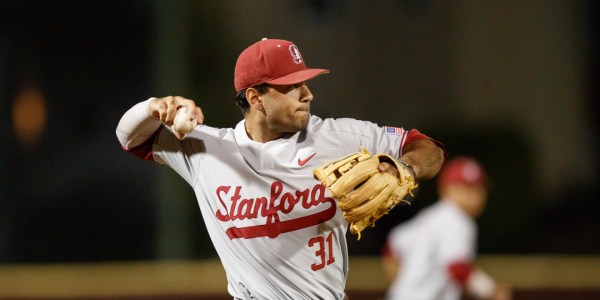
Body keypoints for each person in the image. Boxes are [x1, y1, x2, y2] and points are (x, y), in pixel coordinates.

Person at [116, 38, 445, 300]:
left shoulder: (337, 137)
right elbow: (130, 138)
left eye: (305, 82)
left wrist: (405, 166)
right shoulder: (206, 149)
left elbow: (428, 147)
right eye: (291, 86)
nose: (307, 94)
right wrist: (154, 108)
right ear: (255, 98)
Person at [382, 156, 512, 300]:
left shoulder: (429, 217)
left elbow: (392, 247)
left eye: (478, 188)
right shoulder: (459, 220)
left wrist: (404, 285)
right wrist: (490, 290)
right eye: (465, 189)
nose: (474, 196)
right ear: (445, 190)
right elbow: (457, 267)